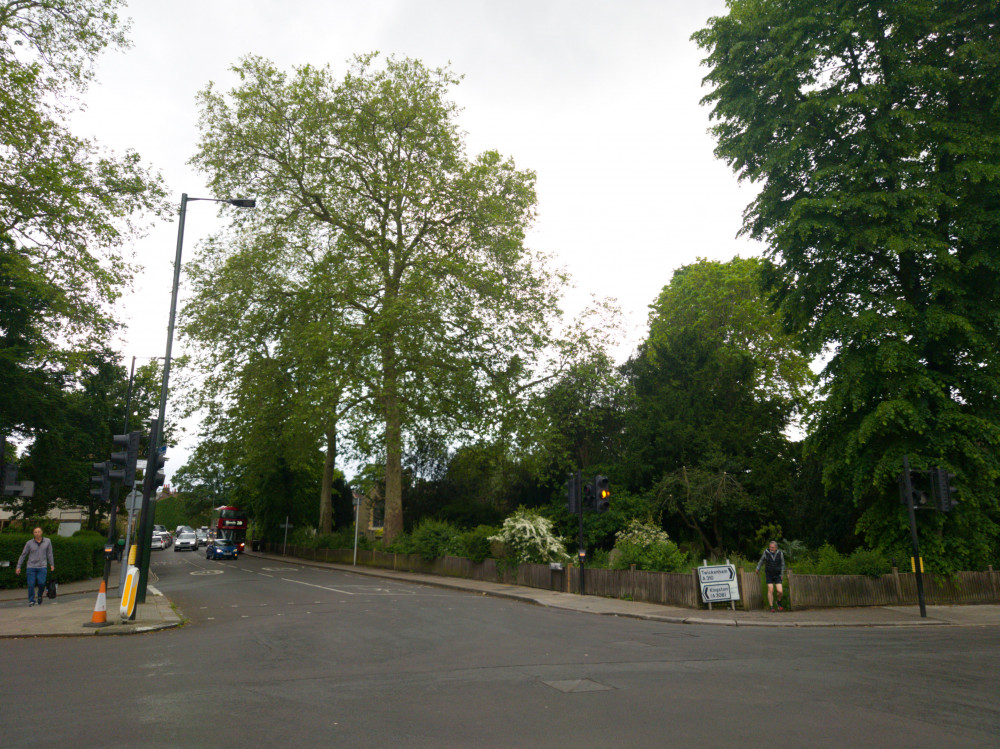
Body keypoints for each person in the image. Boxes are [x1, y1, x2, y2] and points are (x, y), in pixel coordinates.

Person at [15, 527, 55, 606]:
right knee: (31, 584)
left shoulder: (47, 541)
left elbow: (50, 554)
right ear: (33, 534)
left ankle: (40, 595)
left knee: (42, 583)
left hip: (42, 566)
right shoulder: (29, 543)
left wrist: (52, 564)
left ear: (42, 532)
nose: (37, 533)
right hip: (31, 567)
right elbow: (23, 555)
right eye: (35, 532)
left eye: (38, 532)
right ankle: (31, 600)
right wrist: (18, 566)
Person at [756, 540, 785, 612]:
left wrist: (782, 574)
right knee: (771, 589)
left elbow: (783, 564)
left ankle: (778, 601)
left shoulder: (780, 554)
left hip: (777, 574)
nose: (771, 548)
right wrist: (758, 568)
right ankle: (771, 606)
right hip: (769, 574)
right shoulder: (766, 552)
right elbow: (761, 561)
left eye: (772, 547)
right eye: (770, 547)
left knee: (780, 591)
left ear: (776, 548)